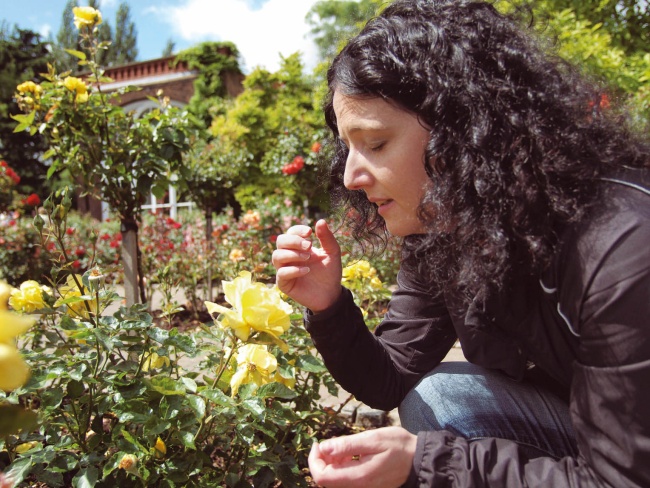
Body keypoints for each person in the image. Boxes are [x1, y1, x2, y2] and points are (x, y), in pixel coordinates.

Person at [272, 0, 650, 486]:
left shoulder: (621, 247)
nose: (350, 177)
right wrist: (328, 308)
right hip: (592, 429)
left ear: (463, 129)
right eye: (348, 149)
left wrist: (431, 465)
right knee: (440, 401)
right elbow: (392, 376)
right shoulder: (447, 227)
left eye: (376, 143)